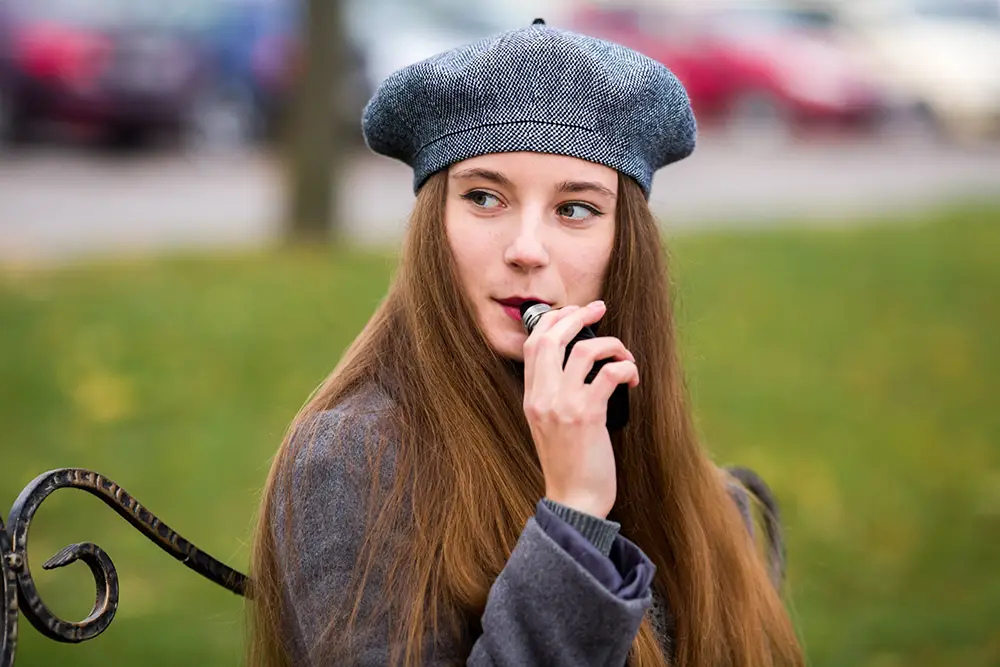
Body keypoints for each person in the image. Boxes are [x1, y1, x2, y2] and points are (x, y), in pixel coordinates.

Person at [245, 18, 804, 667]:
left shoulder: (706, 497)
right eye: (485, 197)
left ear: (625, 245)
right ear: (436, 225)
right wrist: (574, 519)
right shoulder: (354, 459)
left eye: (574, 209)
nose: (526, 250)